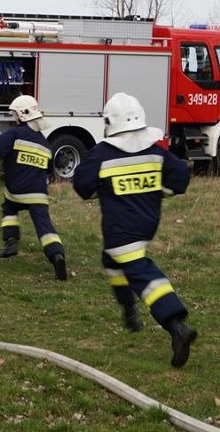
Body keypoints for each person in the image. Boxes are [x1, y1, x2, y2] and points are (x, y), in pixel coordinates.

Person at [73, 93, 197, 368]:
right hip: (146, 223)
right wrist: (157, 189)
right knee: (111, 260)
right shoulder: (155, 151)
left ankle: (176, 326)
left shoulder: (103, 153)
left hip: (120, 228)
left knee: (142, 273)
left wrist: (103, 189)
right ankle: (129, 309)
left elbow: (82, 184)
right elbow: (180, 178)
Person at [0, 95, 67, 281]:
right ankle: (57, 255)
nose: (14, 118)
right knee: (44, 226)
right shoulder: (44, 143)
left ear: (23, 115)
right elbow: (50, 170)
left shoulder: (15, 134)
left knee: (8, 208)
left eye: (15, 114)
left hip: (15, 192)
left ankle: (11, 242)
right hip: (38, 195)